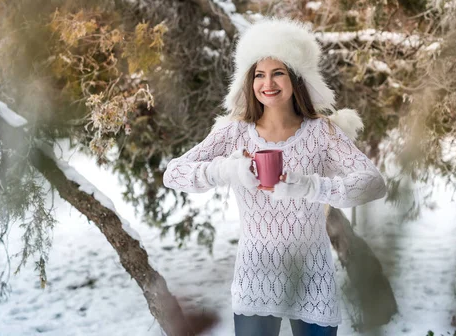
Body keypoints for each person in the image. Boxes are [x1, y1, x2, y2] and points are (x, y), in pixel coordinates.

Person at [163, 17, 387, 336]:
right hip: (256, 278)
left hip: (312, 277)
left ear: (296, 78)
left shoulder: (322, 132)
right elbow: (174, 174)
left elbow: (374, 183)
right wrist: (225, 170)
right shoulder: (234, 131)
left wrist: (312, 186)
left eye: (278, 72)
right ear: (249, 81)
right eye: (259, 74)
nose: (268, 83)